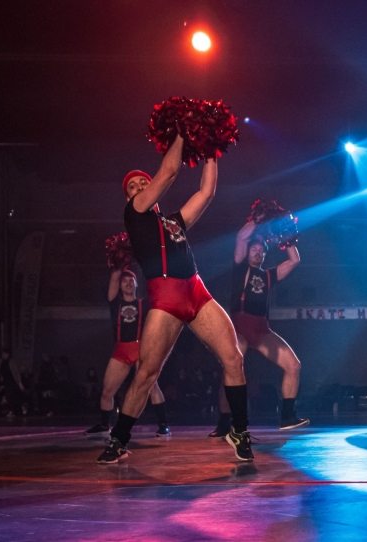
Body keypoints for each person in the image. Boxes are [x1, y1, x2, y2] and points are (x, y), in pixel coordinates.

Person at [98, 135, 253, 464]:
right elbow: (168, 172)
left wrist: (211, 149)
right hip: (166, 296)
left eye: (143, 181)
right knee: (146, 374)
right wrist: (184, 133)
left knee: (233, 358)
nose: (140, 186)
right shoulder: (135, 213)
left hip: (196, 289)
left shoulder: (172, 221)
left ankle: (239, 430)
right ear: (129, 197)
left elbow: (206, 193)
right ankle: (118, 440)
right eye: (134, 185)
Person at [210, 221, 306, 436]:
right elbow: (242, 237)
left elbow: (295, 260)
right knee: (232, 368)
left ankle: (288, 416)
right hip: (239, 328)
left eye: (262, 251)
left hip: (262, 330)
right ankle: (225, 421)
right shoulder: (240, 267)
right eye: (254, 249)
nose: (258, 253)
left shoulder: (269, 275)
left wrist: (287, 234)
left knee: (294, 365)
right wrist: (258, 216)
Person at [85, 268, 170, 437]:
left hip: (140, 348)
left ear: (137, 284)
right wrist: (118, 261)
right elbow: (114, 277)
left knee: (152, 386)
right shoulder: (115, 302)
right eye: (125, 281)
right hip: (121, 350)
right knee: (107, 391)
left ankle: (163, 426)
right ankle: (104, 425)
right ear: (120, 286)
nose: (128, 283)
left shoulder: (144, 304)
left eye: (131, 280)